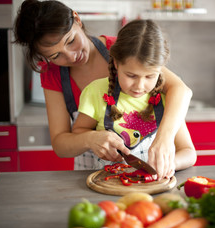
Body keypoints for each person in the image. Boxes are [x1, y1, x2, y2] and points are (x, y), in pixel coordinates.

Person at [13, 0, 193, 179]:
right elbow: (60, 144)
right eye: (55, 55)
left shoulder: (126, 50)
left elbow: (180, 90)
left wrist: (165, 140)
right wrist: (90, 138)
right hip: (96, 180)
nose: (72, 55)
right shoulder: (53, 74)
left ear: (77, 19)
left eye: (71, 41)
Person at [72, 19, 196, 178]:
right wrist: (91, 138)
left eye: (150, 76)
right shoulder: (95, 92)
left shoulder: (167, 99)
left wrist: (172, 163)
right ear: (116, 63)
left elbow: (189, 152)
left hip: (151, 188)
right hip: (108, 185)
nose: (139, 85)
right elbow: (78, 133)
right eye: (131, 75)